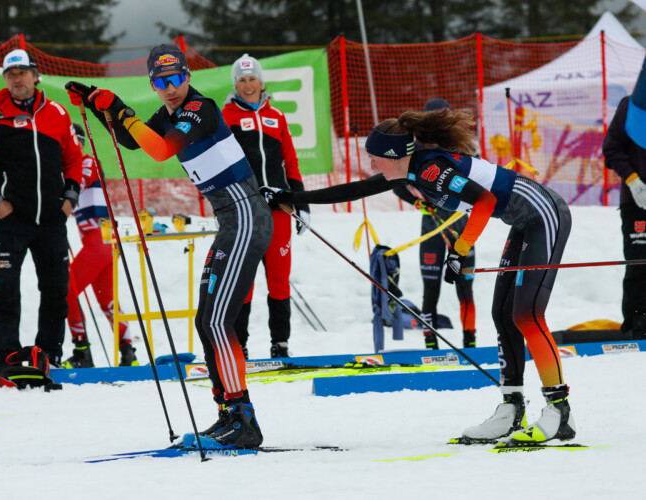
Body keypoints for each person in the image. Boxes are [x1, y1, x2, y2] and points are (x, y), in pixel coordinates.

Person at [263, 107, 576, 445]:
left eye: (374, 158)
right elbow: (355, 190)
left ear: (395, 156)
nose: (373, 166)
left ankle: (559, 412)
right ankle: (511, 409)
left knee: (526, 315)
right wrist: (291, 198)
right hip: (523, 222)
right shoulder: (411, 171)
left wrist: (459, 249)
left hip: (545, 215)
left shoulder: (430, 169)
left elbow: (483, 201)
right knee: (502, 315)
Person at [66, 43, 273, 449]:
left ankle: (243, 418)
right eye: (161, 82)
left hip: (246, 214)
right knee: (207, 321)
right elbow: (132, 140)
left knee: (216, 321)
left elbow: (160, 150)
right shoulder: (167, 115)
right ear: (154, 85)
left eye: (176, 78)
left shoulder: (201, 109)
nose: (171, 88)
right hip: (231, 218)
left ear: (188, 78)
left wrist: (120, 110)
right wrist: (99, 103)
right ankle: (229, 413)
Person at [0, 49, 83, 369]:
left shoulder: (57, 113)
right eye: (11, 75)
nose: (17, 79)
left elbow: (75, 159)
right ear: (6, 79)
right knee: (5, 291)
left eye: (22, 73)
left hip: (52, 219)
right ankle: (7, 355)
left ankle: (50, 354)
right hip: (12, 220)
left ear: (35, 75)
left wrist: (70, 198)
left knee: (56, 289)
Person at [222, 53, 310, 359]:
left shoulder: (278, 117)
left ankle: (280, 343)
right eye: (242, 80)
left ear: (262, 82)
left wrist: (301, 201)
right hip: (245, 212)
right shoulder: (226, 117)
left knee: (278, 278)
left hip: (279, 211)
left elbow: (290, 160)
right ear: (236, 84)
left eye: (252, 78)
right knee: (243, 281)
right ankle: (239, 345)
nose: (248, 85)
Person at [393, 97, 477, 350]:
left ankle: (470, 343)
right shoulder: (417, 151)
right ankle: (431, 344)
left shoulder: (463, 148)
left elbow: (481, 183)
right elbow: (397, 184)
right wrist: (419, 202)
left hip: (461, 228)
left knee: (465, 287)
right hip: (431, 228)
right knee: (431, 289)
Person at [63, 124, 137, 368]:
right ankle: (128, 352)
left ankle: (81, 350)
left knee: (67, 290)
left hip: (101, 238)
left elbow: (77, 185)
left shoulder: (87, 161)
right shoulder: (73, 167)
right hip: (101, 240)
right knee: (107, 300)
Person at [603, 93, 646, 340]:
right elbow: (611, 148)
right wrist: (633, 180)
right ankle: (637, 327)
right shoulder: (632, 105)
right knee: (640, 264)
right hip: (637, 199)